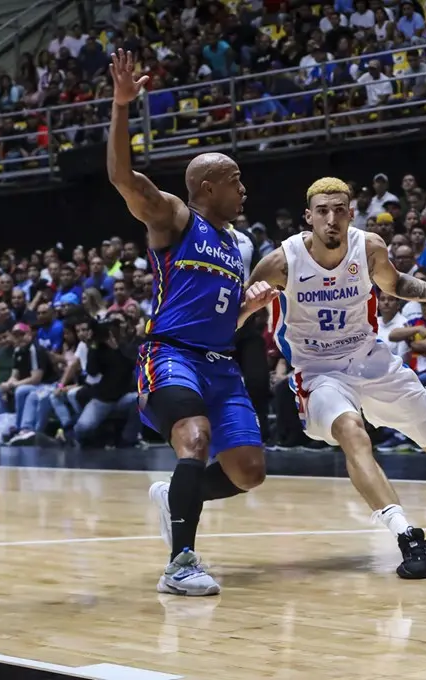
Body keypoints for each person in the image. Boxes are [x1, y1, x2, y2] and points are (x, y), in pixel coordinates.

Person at [241, 176, 426, 580]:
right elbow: (235, 317)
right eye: (323, 211)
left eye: (340, 210)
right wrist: (250, 303)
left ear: (351, 213)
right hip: (318, 372)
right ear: (308, 217)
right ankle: (407, 533)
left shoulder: (368, 248)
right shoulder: (281, 262)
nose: (332, 219)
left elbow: (396, 284)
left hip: (372, 360)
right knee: (353, 433)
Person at [106, 50, 270, 597]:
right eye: (234, 180)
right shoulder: (177, 217)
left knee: (248, 470)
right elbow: (123, 177)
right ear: (206, 187)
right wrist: (122, 105)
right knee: (193, 439)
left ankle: (175, 494)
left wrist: (251, 303)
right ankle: (180, 562)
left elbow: (223, 315)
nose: (243, 190)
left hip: (219, 362)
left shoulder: (241, 245)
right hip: (171, 353)